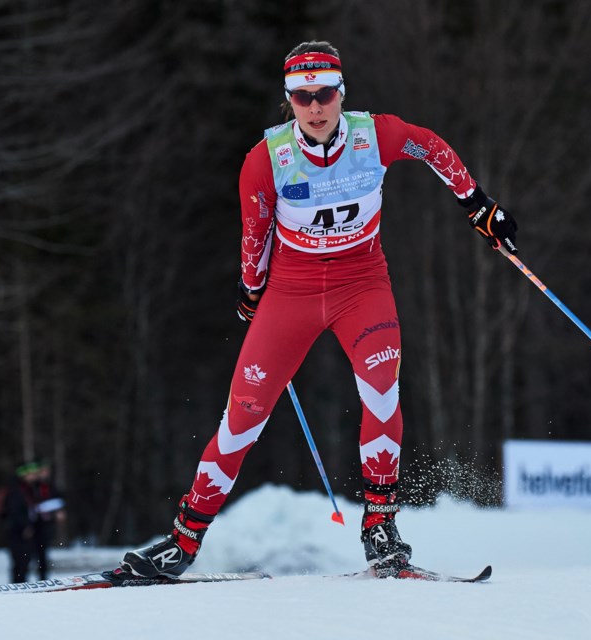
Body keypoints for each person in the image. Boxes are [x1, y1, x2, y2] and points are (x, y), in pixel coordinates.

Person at [119, 40, 518, 579]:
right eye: (303, 96)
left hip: (362, 287)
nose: (315, 106)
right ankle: (182, 542)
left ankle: (380, 527)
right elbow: (255, 234)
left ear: (340, 93)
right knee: (242, 418)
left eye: (324, 93)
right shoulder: (266, 159)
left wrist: (478, 205)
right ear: (289, 101)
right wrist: (250, 288)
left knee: (382, 390)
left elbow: (431, 146)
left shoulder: (374, 135)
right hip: (292, 293)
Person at [0, 460, 40, 583]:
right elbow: (15, 511)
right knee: (20, 560)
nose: (34, 476)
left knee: (23, 560)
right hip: (16, 530)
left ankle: (20, 583)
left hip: (18, 529)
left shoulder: (26, 488)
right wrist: (25, 526)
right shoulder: (16, 489)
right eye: (31, 473)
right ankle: (18, 584)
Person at [29, 458, 66, 580]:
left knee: (43, 552)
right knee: (31, 552)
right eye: (43, 471)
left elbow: (59, 500)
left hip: (46, 523)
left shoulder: (50, 485)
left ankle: (43, 577)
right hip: (33, 523)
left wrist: (58, 511)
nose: (46, 473)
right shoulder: (32, 486)